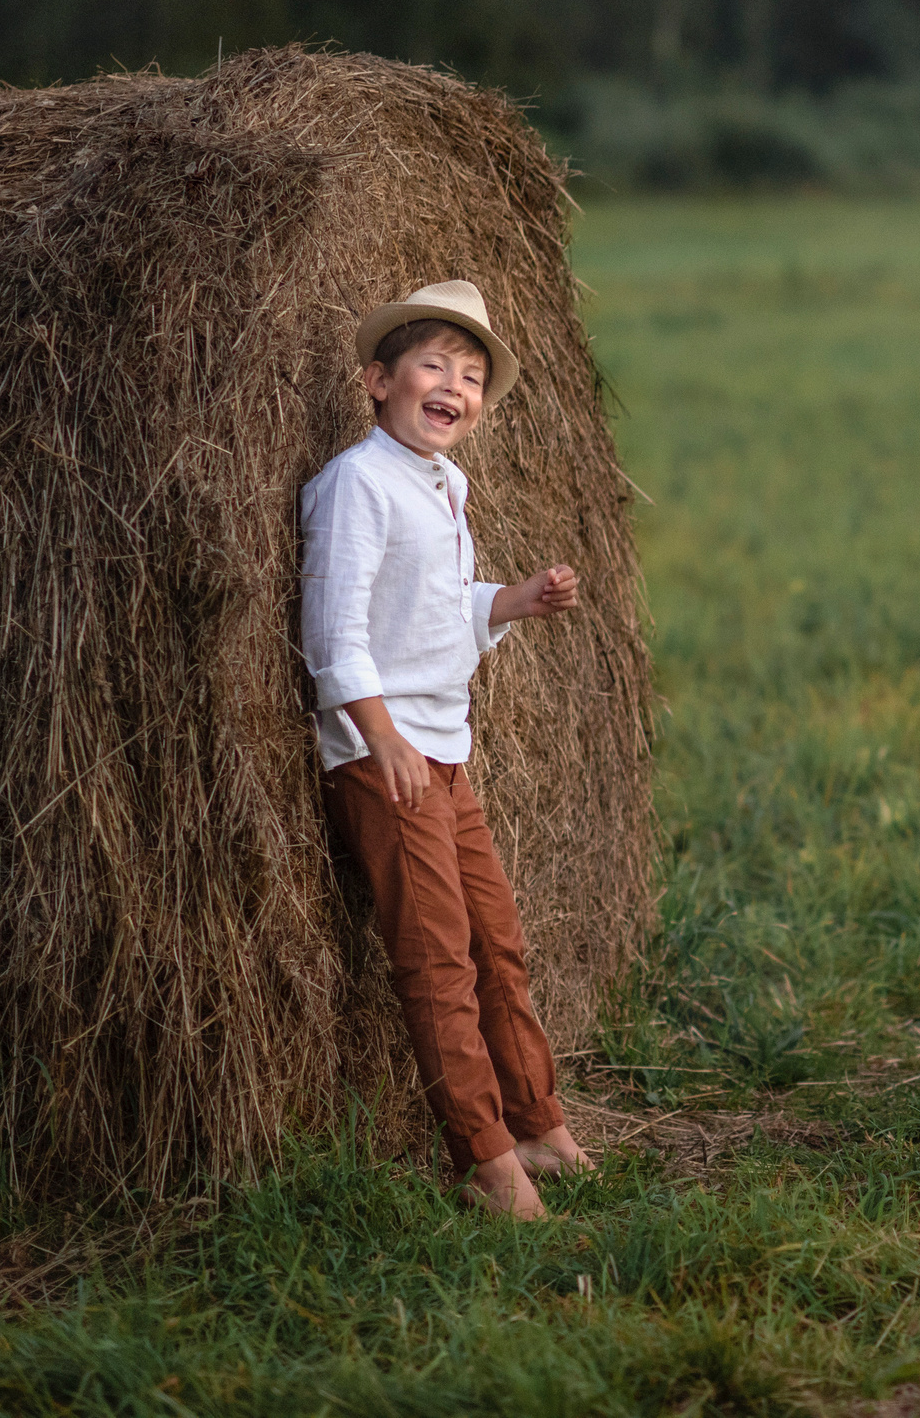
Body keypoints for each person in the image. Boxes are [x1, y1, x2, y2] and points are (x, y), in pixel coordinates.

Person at [300, 279, 594, 1218]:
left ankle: (539, 1124)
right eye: (436, 365)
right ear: (376, 381)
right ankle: (484, 1159)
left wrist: (514, 601)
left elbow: (435, 612)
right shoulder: (356, 483)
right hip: (385, 752)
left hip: (444, 747)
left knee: (497, 945)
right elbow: (334, 631)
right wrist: (375, 736)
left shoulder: (444, 483)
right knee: (436, 961)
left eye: (472, 377)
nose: (456, 388)